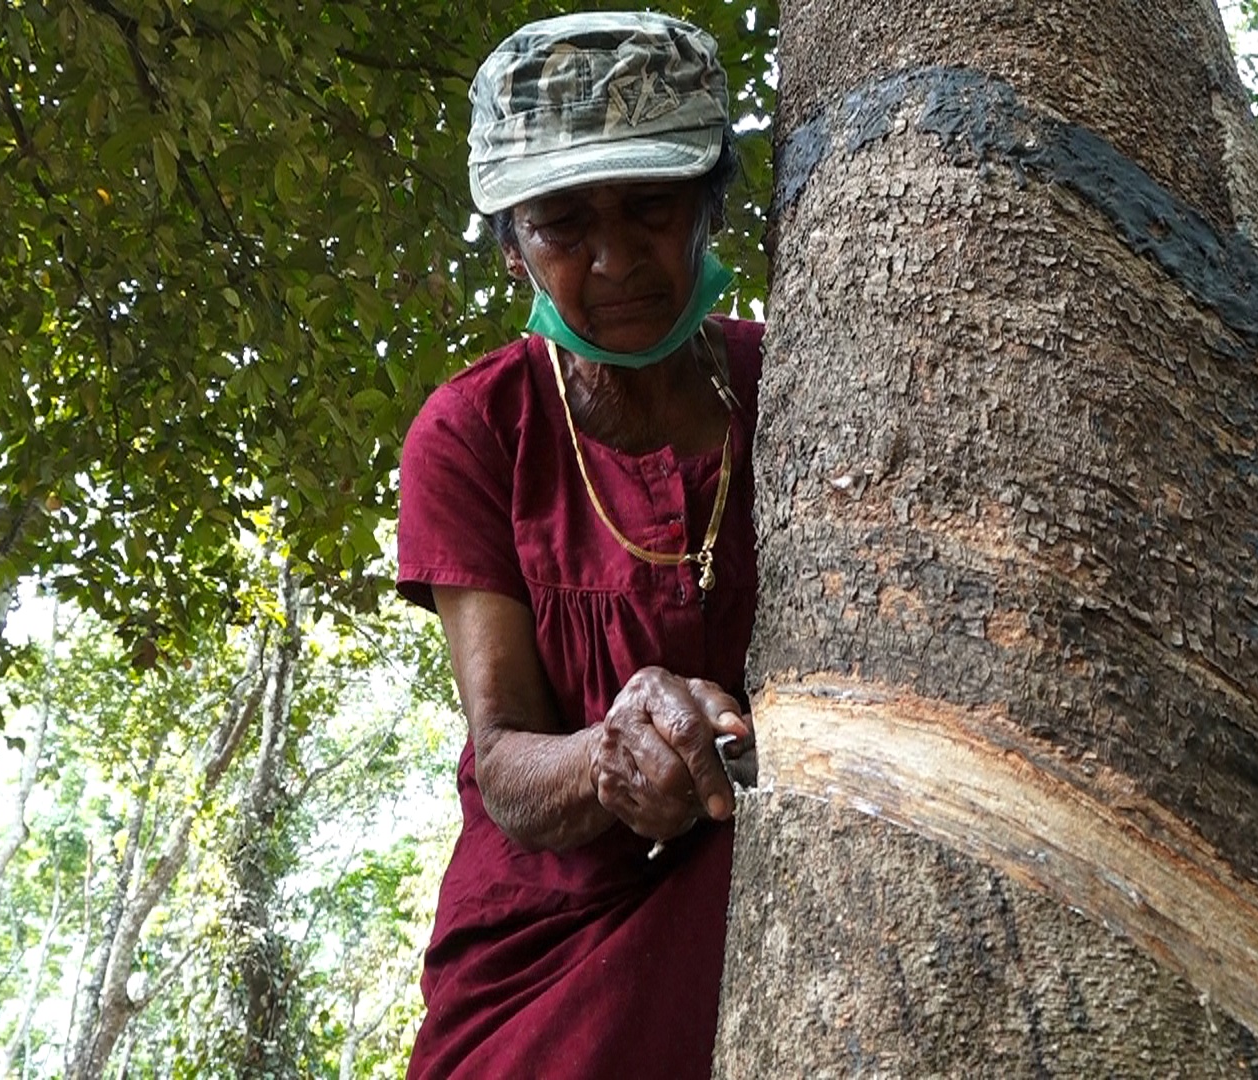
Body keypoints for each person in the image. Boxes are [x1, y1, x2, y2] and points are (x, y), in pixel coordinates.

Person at [395, 12, 761, 1078]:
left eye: (651, 205)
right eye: (561, 225)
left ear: (708, 200)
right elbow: (505, 756)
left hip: (774, 898)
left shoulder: (794, 384)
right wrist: (613, 753)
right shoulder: (475, 432)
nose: (616, 259)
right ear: (513, 248)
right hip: (545, 952)